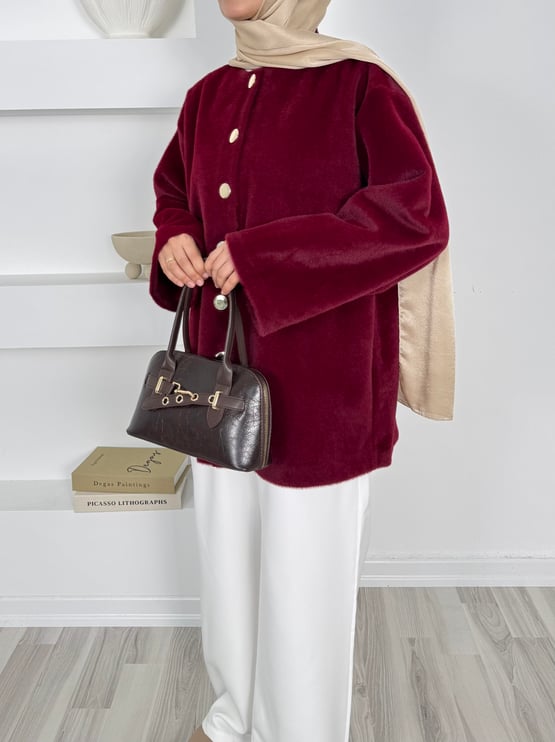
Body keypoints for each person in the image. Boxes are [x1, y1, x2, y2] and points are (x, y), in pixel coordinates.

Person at [149, 2, 455, 741]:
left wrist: (264, 258)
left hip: (324, 384)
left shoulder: (359, 85)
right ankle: (233, 723)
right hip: (216, 374)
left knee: (303, 578)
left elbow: (414, 220)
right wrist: (174, 237)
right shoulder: (207, 95)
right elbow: (174, 194)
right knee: (228, 565)